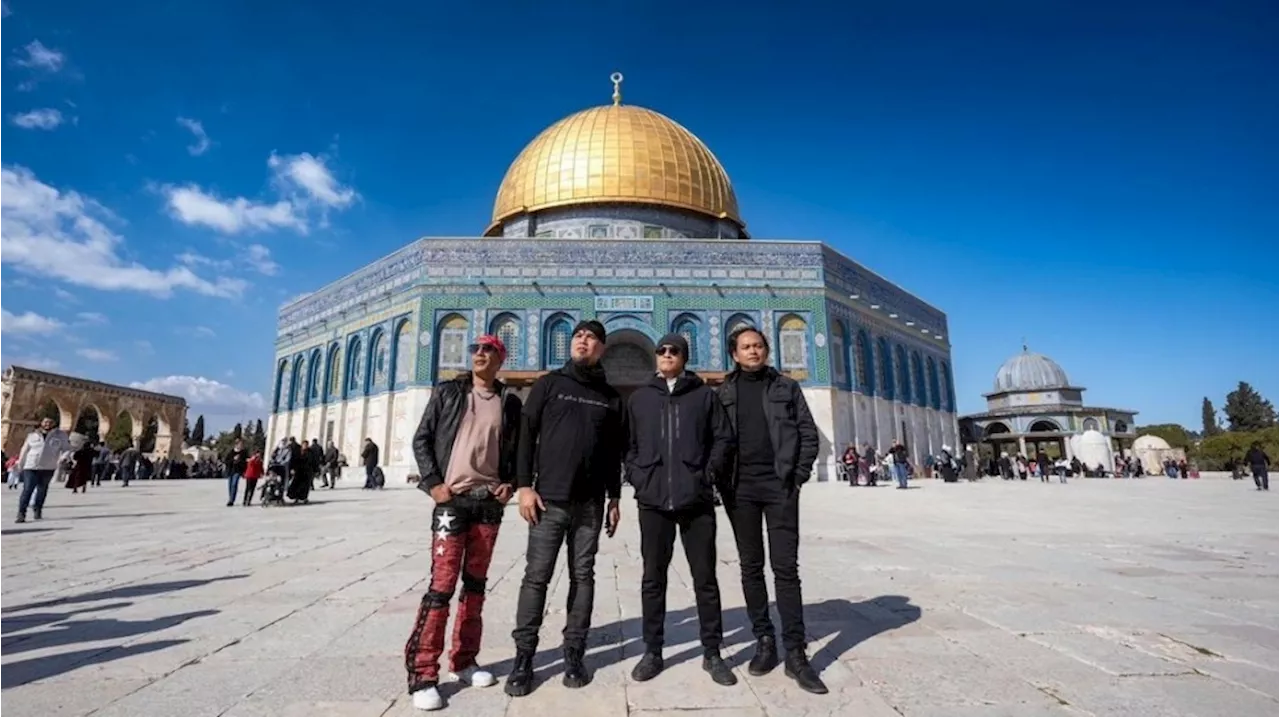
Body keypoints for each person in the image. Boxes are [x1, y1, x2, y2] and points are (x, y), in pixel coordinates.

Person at [505, 320, 626, 698]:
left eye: (590, 337)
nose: (582, 341)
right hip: (548, 501)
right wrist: (524, 486)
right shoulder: (549, 384)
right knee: (535, 578)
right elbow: (526, 435)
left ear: (602, 347)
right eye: (577, 336)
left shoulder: (610, 396)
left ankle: (574, 652)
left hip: (589, 505)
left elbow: (611, 454)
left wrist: (614, 497)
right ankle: (524, 657)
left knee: (583, 577)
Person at [403, 334, 523, 712]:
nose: (480, 354)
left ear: (500, 358)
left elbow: (519, 452)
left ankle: (465, 661)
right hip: (452, 502)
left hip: (487, 504)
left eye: (488, 349)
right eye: (476, 349)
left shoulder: (509, 402)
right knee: (441, 587)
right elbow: (421, 439)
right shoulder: (448, 392)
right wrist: (434, 485)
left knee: (475, 587)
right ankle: (423, 673)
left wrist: (511, 485)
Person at [716, 326, 827, 695]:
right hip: (739, 491)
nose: (753, 351)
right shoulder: (724, 391)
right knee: (751, 568)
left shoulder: (786, 387)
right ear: (734, 353)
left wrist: (797, 476)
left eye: (759, 346)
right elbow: (713, 439)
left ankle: (796, 652)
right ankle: (765, 640)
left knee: (785, 569)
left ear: (766, 350)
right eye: (746, 347)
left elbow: (807, 433)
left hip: (780, 488)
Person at [625, 333, 736, 686]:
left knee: (704, 579)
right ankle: (653, 650)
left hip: (696, 500)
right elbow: (628, 444)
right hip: (653, 500)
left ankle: (712, 652)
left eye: (674, 351)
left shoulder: (704, 395)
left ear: (685, 357)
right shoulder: (641, 398)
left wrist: (708, 475)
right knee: (652, 579)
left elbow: (723, 438)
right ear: (655, 357)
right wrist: (638, 477)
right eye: (662, 350)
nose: (667, 354)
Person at [16, 417, 71, 523]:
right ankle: (21, 513)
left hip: (48, 467)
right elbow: (25, 449)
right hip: (31, 466)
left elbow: (67, 448)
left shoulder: (60, 435)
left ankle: (38, 509)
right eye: (45, 422)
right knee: (27, 490)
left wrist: (63, 458)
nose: (47, 424)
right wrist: (20, 463)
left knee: (42, 490)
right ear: (41, 423)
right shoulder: (32, 435)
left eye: (50, 422)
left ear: (53, 423)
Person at [223, 439, 249, 506]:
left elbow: (245, 462)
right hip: (230, 470)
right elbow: (226, 461)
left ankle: (231, 500)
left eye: (242, 444)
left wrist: (240, 462)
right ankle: (230, 498)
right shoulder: (231, 452)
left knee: (234, 484)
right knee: (230, 486)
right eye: (240, 444)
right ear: (236, 445)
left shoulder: (243, 453)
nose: (241, 446)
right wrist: (233, 459)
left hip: (237, 471)